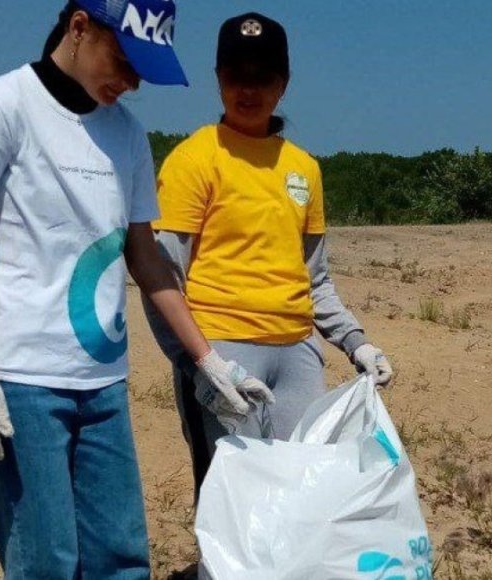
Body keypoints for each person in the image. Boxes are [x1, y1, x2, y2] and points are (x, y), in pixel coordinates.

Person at [0, 1, 272, 576]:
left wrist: (208, 360)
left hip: (103, 382)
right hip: (23, 378)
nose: (131, 82)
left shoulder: (127, 134)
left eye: (142, 71)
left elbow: (146, 259)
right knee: (46, 559)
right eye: (123, 61)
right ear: (79, 27)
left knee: (120, 557)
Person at [142, 11, 394, 495]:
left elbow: (315, 279)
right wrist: (199, 365)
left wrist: (356, 342)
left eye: (263, 77)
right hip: (223, 351)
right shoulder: (194, 159)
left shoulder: (304, 169)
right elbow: (162, 278)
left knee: (297, 493)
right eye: (236, 75)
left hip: (298, 355)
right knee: (232, 499)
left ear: (284, 83)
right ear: (218, 77)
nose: (248, 89)